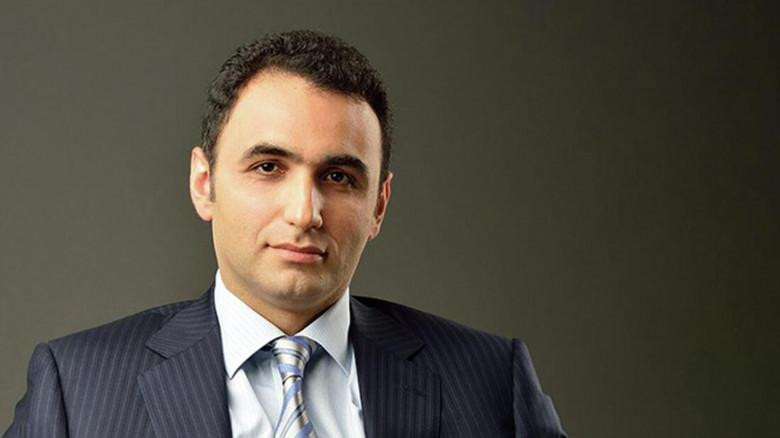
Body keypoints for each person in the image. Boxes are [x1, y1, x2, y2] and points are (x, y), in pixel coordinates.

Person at [4, 30, 566, 438]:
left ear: (379, 205)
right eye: (268, 167)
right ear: (204, 183)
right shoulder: (77, 390)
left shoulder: (490, 381)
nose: (304, 213)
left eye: (339, 177)